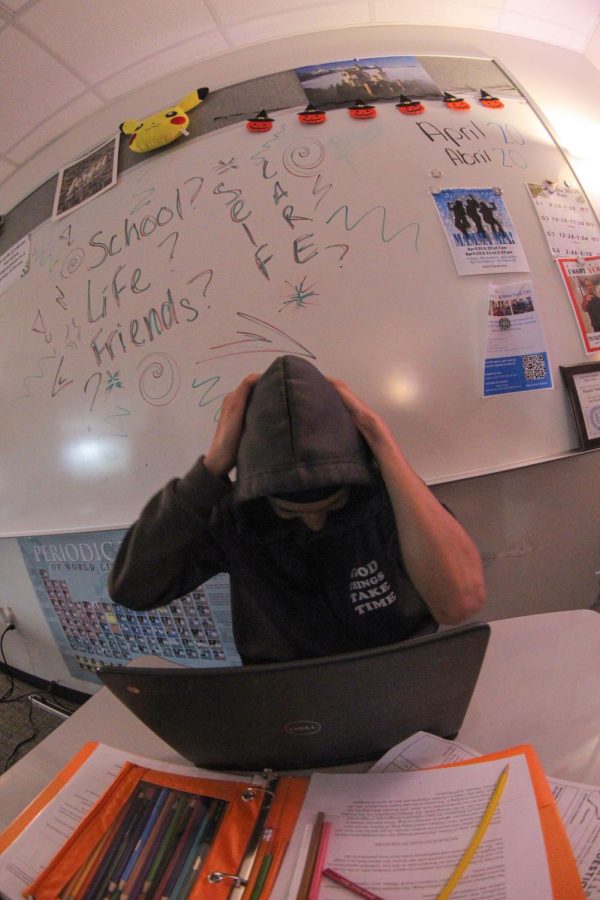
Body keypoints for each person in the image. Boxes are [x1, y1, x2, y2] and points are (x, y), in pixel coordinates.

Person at [108, 356, 485, 663]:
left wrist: (378, 437)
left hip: (399, 669)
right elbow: (134, 591)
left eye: (332, 504)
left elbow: (460, 604)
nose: (315, 520)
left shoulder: (383, 495)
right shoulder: (236, 517)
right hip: (289, 696)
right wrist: (209, 470)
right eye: (291, 511)